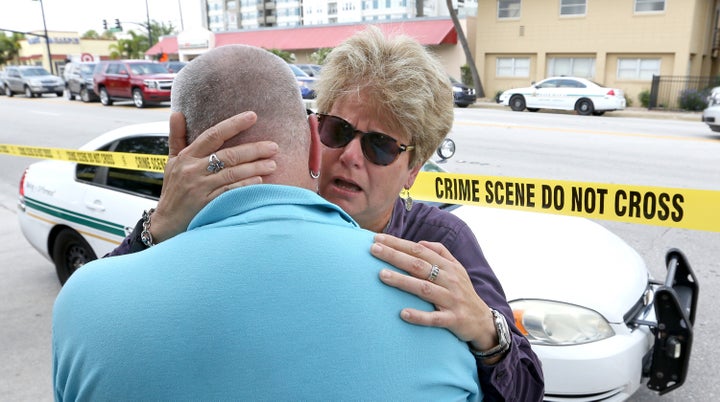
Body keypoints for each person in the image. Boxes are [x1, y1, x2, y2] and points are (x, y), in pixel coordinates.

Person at [107, 27, 544, 400]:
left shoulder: (441, 243)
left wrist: (488, 332)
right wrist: (160, 226)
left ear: (413, 169)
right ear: (314, 134)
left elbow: (527, 388)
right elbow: (104, 306)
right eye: (339, 130)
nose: (352, 156)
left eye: (381, 146)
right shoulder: (250, 207)